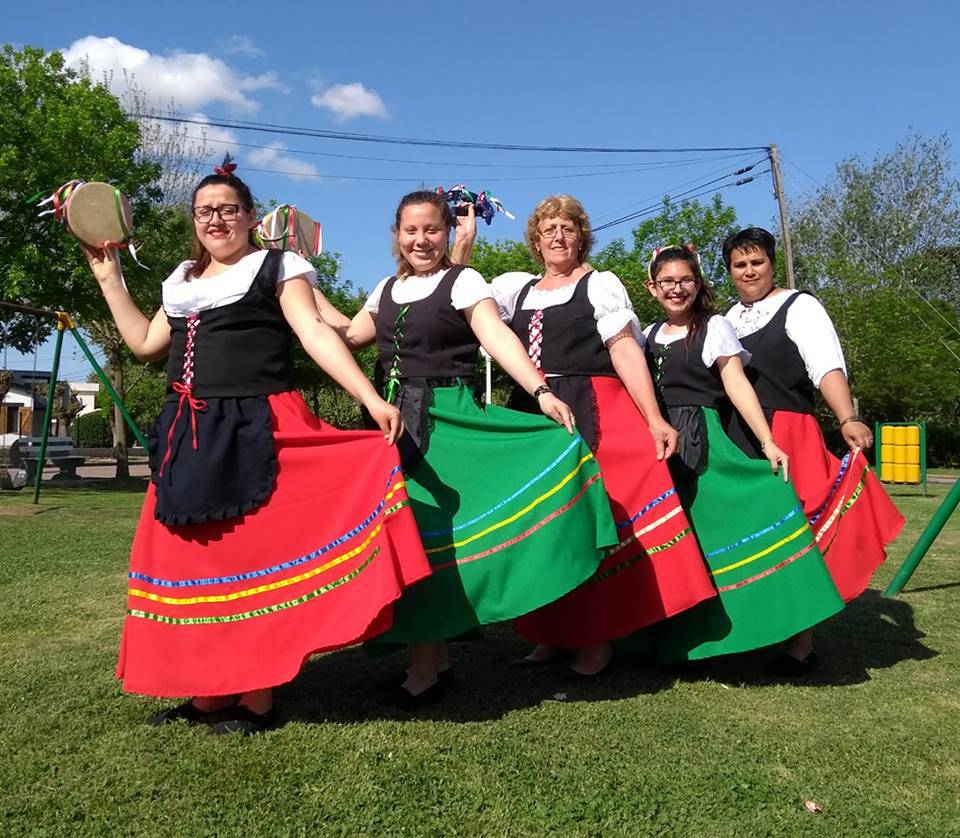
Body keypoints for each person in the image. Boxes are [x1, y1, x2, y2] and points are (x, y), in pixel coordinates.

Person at [81, 163, 430, 734]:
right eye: (204, 212)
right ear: (194, 222)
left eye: (227, 209)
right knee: (188, 562)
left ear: (248, 216)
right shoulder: (181, 280)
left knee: (250, 564)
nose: (216, 220)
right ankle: (210, 694)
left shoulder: (280, 267)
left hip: (258, 426)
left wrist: (369, 396)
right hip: (187, 433)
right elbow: (144, 343)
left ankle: (259, 698)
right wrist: (108, 277)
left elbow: (315, 333)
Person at [326, 190, 617, 707]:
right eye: (411, 230)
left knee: (429, 538)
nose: (421, 239)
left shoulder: (464, 281)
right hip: (396, 421)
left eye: (432, 230)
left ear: (447, 233)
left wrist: (542, 391)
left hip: (448, 418)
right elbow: (350, 335)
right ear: (396, 235)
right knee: (408, 532)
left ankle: (425, 672)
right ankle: (433, 658)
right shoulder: (385, 289)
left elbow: (499, 338)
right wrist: (303, 283)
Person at [456, 195, 717, 678]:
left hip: (593, 408)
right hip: (535, 411)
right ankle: (549, 635)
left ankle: (596, 642)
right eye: (548, 229)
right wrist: (464, 242)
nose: (558, 236)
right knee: (544, 525)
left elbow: (623, 351)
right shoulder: (516, 289)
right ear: (535, 240)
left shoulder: (601, 285)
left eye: (568, 228)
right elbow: (456, 296)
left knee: (592, 523)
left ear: (581, 237)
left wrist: (654, 418)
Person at [644, 244, 845, 664]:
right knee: (681, 543)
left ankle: (799, 636)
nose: (677, 289)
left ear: (697, 284)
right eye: (668, 282)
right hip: (661, 445)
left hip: (707, 439)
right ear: (653, 288)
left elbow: (737, 384)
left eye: (685, 280)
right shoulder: (647, 335)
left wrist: (768, 441)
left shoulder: (713, 327)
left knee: (760, 518)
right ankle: (684, 640)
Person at [722, 227, 905, 673]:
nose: (749, 272)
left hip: (788, 429)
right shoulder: (727, 316)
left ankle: (801, 644)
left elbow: (826, 365)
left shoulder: (799, 306)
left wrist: (847, 417)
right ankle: (758, 627)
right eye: (739, 265)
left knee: (799, 530)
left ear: (772, 264)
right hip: (738, 433)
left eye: (757, 262)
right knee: (748, 533)